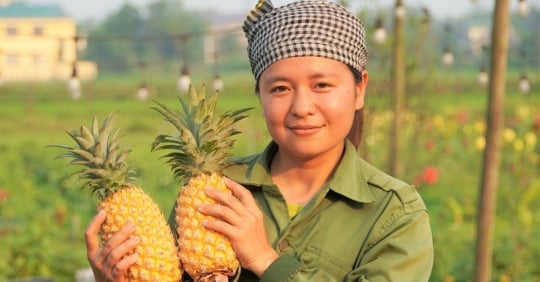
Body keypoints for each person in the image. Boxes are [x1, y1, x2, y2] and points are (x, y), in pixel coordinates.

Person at [85, 0, 434, 281]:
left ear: (359, 90)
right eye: (280, 88)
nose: (302, 108)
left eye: (322, 85)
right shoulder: (212, 195)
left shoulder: (396, 215)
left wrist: (266, 260)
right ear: (260, 95)